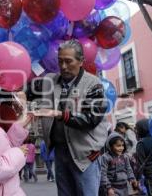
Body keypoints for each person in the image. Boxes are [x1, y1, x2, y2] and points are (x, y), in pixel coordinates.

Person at [27, 39, 109, 196]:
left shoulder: (94, 84)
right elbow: (28, 89)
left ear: (81, 61)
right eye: (60, 61)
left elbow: (91, 119)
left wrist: (59, 114)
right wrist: (22, 95)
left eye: (68, 61)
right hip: (60, 152)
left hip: (86, 155)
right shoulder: (50, 80)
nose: (63, 66)